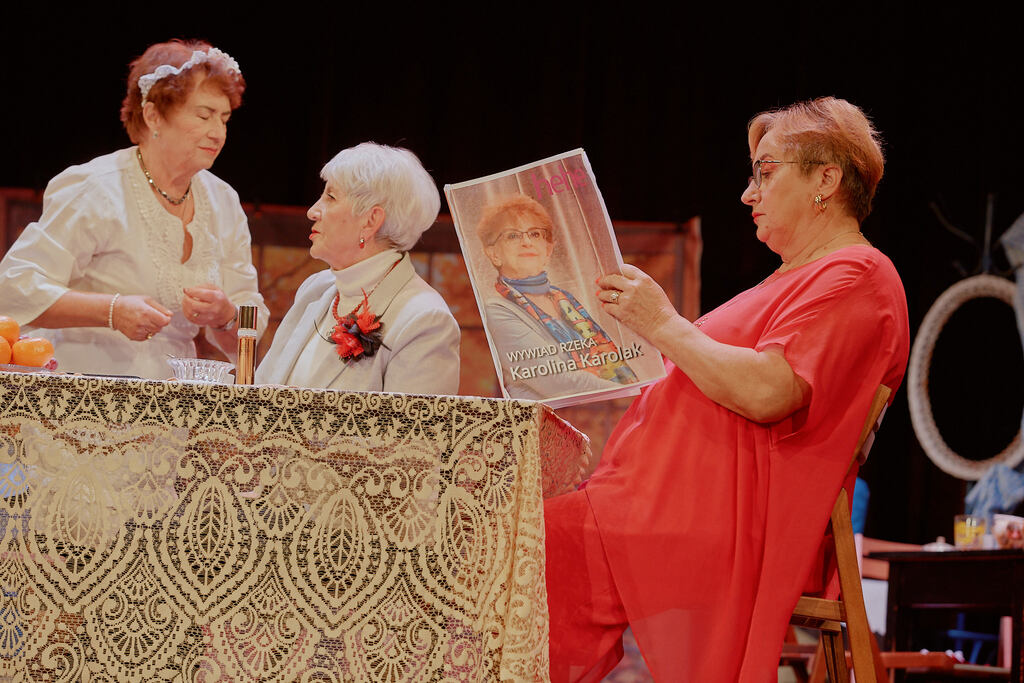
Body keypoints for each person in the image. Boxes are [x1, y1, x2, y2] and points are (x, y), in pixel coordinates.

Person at [544, 97, 910, 681]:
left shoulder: (855, 274)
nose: (747, 194)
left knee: (523, 547)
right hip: (662, 503)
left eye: (765, 173)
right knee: (514, 537)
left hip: (718, 517)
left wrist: (662, 324)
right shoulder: (801, 274)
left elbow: (770, 392)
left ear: (826, 180)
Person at [0, 40, 268, 379]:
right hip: (84, 389)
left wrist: (226, 315)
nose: (218, 133)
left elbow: (250, 328)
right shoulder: (97, 188)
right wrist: (112, 310)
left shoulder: (223, 202)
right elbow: (14, 288)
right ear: (153, 115)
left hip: (173, 396)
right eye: (204, 115)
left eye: (224, 119)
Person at [255, 143, 460, 394]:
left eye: (330, 197)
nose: (312, 211)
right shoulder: (315, 289)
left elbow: (412, 422)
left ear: (371, 220)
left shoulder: (425, 320)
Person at [476, 194, 638, 401]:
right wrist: (630, 393)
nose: (526, 242)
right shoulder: (497, 310)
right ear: (494, 254)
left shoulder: (565, 299)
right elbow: (558, 382)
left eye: (535, 234)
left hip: (607, 410)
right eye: (513, 235)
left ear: (548, 250)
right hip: (549, 419)